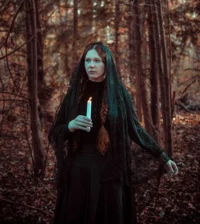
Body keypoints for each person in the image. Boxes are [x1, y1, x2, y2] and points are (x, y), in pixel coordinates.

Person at [49, 42, 178, 224]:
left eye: (97, 61)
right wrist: (70, 126)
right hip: (78, 171)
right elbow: (55, 132)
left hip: (109, 172)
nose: (91, 65)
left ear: (106, 64)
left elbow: (136, 130)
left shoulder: (119, 95)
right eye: (87, 61)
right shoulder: (74, 93)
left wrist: (162, 156)